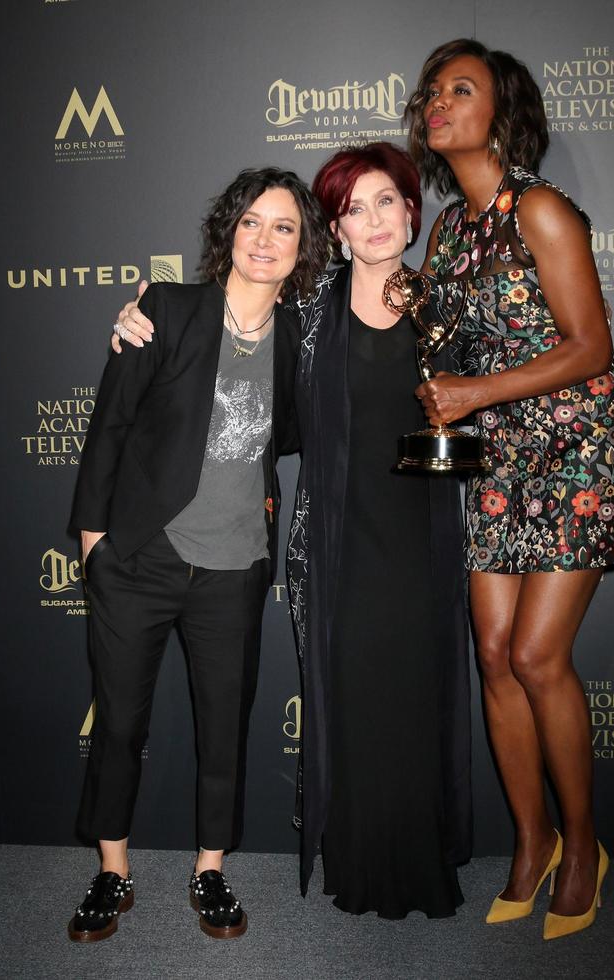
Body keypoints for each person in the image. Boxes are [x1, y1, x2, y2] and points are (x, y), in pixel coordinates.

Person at [114, 143, 472, 920]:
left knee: (414, 696)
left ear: (413, 212)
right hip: (339, 539)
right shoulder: (308, 318)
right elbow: (227, 360)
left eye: (387, 202)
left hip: (423, 536)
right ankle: (358, 860)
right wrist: (141, 321)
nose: (373, 221)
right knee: (351, 700)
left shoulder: (449, 303)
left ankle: (418, 859)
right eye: (354, 208)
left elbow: (495, 400)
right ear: (336, 230)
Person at [404, 39, 614, 940]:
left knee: (534, 656)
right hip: (500, 459)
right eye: (431, 91)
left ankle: (586, 843)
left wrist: (473, 393)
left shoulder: (543, 210)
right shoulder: (448, 231)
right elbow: (443, 341)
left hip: (577, 452)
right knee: (492, 654)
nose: (438, 102)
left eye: (461, 89)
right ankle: (530, 843)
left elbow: (589, 348)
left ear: (502, 112)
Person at [67, 167, 330, 942]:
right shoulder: (167, 310)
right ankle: (112, 872)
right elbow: (109, 424)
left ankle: (209, 870)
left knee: (225, 728)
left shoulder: (301, 343)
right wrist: (94, 542)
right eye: (252, 221)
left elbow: (293, 433)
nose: (265, 239)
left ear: (303, 247)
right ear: (229, 231)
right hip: (139, 559)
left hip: (235, 569)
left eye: (284, 227)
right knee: (117, 725)